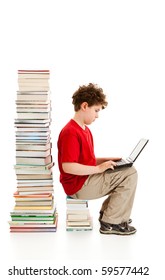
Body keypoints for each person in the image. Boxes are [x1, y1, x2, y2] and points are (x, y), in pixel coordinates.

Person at [57, 83, 138, 235]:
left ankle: (109, 214)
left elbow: (85, 160)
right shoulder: (70, 132)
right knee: (130, 174)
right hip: (78, 186)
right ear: (84, 106)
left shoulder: (85, 130)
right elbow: (68, 166)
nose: (97, 116)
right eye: (96, 110)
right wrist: (99, 169)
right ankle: (111, 221)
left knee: (126, 170)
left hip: (84, 179)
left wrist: (106, 160)